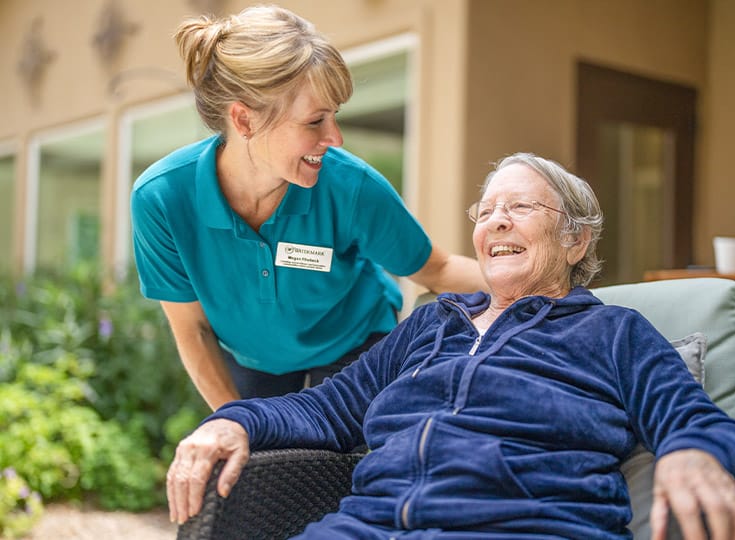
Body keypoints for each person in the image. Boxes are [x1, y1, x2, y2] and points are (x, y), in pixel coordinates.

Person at [166, 152, 735, 539]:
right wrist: (234, 421)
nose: (496, 222)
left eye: (520, 207)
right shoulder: (431, 325)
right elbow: (325, 408)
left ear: (575, 241)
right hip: (371, 525)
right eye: (487, 211)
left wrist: (693, 453)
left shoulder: (612, 332)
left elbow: (695, 419)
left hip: (521, 526)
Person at [130, 5, 485, 410]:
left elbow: (437, 269)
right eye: (315, 121)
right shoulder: (162, 199)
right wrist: (237, 422)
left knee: (334, 448)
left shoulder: (352, 187)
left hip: (354, 343)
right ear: (244, 121)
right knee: (258, 448)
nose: (335, 138)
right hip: (253, 359)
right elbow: (192, 329)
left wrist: (537, 282)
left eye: (334, 116)